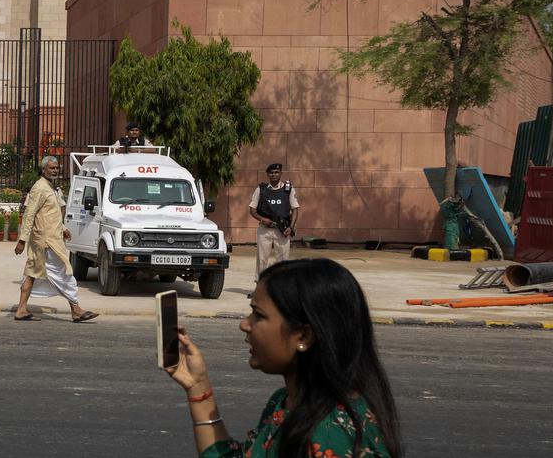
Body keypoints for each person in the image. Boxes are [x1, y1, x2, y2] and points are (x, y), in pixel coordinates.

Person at [163, 258, 402, 458]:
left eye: (258, 315)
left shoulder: (330, 437)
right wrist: (198, 387)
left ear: (304, 336)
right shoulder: (287, 402)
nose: (244, 324)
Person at [12, 156, 99, 323]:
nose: (55, 170)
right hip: (45, 242)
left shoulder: (51, 188)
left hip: (52, 238)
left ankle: (21, 309)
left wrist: (64, 228)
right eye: (52, 168)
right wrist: (22, 240)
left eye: (57, 168)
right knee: (64, 273)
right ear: (43, 170)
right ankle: (76, 309)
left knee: (31, 273)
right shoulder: (39, 188)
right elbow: (29, 215)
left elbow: (51, 215)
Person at [249, 163, 299, 292]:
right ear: (268, 174)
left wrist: (291, 228)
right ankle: (259, 288)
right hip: (264, 230)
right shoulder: (261, 189)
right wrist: (262, 219)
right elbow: (252, 210)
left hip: (282, 230)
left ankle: (281, 289)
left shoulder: (288, 189)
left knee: (282, 260)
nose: (274, 175)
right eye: (271, 172)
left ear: (281, 173)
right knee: (262, 259)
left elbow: (295, 209)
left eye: (276, 172)